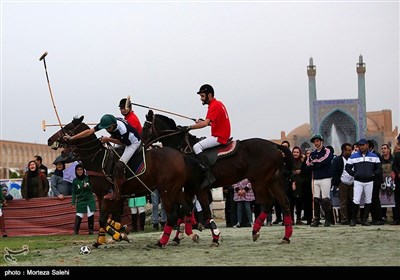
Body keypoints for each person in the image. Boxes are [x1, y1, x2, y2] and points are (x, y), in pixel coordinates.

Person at [63, 114, 141, 200]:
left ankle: (117, 192)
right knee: (111, 157)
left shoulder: (123, 130)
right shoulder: (107, 123)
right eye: (105, 128)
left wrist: (109, 139)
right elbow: (89, 132)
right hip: (121, 138)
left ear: (113, 125)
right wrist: (72, 138)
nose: (106, 129)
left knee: (119, 165)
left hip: (132, 143)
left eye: (108, 128)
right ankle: (111, 186)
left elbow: (123, 143)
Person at [183, 84, 231, 188]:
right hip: (222, 134)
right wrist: (201, 122)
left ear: (209, 95)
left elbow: (204, 124)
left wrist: (188, 127)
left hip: (220, 137)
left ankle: (208, 173)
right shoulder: (218, 104)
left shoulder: (214, 105)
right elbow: (209, 123)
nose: (201, 99)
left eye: (202, 96)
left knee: (196, 147)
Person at [345, 138, 381, 226]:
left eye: (363, 145)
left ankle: (364, 220)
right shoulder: (353, 156)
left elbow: (379, 168)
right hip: (358, 181)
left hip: (369, 181)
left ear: (367, 145)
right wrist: (354, 174)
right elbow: (347, 167)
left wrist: (373, 174)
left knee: (368, 200)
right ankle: (353, 220)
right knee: (356, 200)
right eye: (360, 145)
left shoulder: (374, 156)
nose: (361, 147)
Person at [305, 134, 334, 227]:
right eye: (314, 142)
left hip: (325, 178)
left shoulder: (327, 150)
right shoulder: (312, 154)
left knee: (325, 199)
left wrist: (315, 162)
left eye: (317, 141)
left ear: (321, 141)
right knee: (316, 199)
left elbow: (325, 160)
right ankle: (316, 219)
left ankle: (328, 219)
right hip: (315, 179)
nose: (316, 143)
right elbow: (307, 164)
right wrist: (315, 163)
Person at [331, 143, 354, 225]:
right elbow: (334, 171)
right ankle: (344, 219)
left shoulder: (353, 159)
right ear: (344, 150)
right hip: (343, 183)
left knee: (353, 201)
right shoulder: (337, 160)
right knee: (343, 202)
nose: (350, 152)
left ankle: (353, 218)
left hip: (352, 182)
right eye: (349, 150)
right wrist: (339, 182)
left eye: (351, 150)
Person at [71, 164, 96, 235]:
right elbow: (73, 192)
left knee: (90, 214)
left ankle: (91, 231)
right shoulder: (75, 181)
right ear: (76, 171)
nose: (79, 171)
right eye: (78, 170)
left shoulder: (87, 178)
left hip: (89, 199)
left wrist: (87, 186)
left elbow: (93, 188)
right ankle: (75, 232)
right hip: (81, 200)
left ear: (83, 170)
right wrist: (73, 202)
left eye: (81, 170)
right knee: (79, 214)